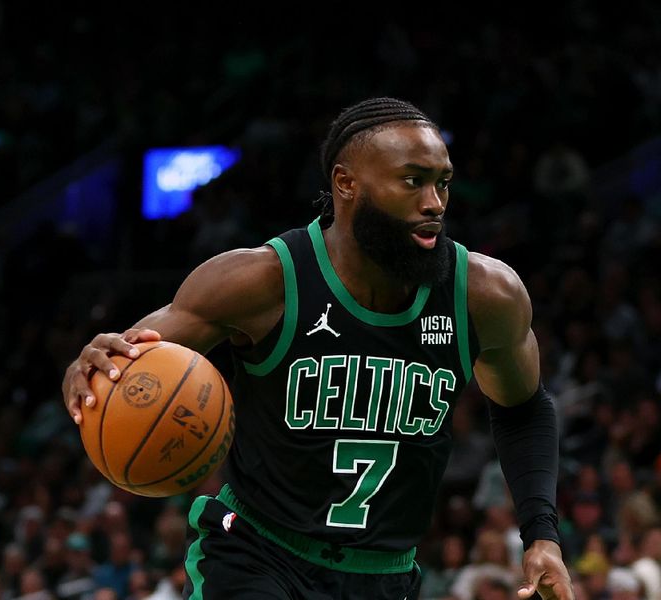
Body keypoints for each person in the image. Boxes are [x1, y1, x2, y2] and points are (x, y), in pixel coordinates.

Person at [62, 97, 574, 600]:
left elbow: (524, 408)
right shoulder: (262, 281)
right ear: (346, 183)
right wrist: (85, 370)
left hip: (387, 574)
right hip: (257, 555)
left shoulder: (485, 295)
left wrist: (542, 535)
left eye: (442, 182)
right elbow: (122, 367)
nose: (434, 203)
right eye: (412, 181)